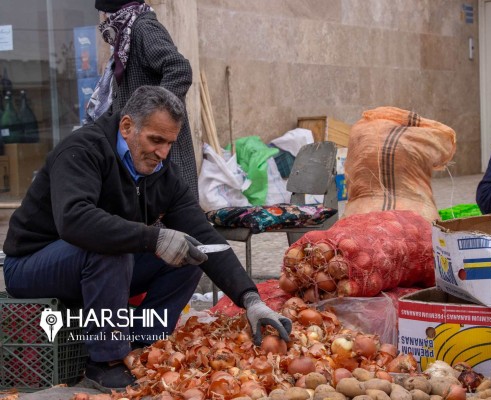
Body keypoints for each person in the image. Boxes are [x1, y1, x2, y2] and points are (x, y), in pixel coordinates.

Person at [2, 86, 291, 393]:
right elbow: (74, 220)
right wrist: (153, 238)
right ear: (127, 126)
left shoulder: (161, 171)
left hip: (94, 264)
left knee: (191, 254)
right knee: (112, 248)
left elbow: (203, 233)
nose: (162, 152)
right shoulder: (82, 150)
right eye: (155, 140)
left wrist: (250, 299)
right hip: (32, 265)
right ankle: (105, 362)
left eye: (169, 143)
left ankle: (142, 349)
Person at [85, 0, 199, 201]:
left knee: (173, 218)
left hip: (158, 147)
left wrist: (154, 115)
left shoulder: (143, 28)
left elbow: (179, 69)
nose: (102, 21)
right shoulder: (125, 38)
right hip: (142, 147)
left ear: (111, 13)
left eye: (103, 14)